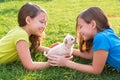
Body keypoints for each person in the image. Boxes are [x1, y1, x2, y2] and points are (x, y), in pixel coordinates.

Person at [48, 7, 120, 74]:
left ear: (92, 24)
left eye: (81, 26)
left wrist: (66, 63)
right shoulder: (106, 33)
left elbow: (96, 70)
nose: (79, 31)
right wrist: (65, 47)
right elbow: (90, 55)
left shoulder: (101, 38)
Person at [0, 2, 50, 70]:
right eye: (41, 22)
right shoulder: (21, 36)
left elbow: (34, 47)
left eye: (45, 23)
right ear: (28, 20)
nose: (44, 26)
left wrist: (53, 50)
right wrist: (52, 63)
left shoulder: (21, 30)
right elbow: (29, 66)